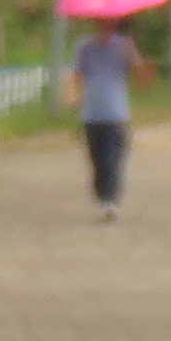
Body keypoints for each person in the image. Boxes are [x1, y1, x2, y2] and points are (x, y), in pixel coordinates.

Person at [69, 15, 139, 222]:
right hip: (91, 113)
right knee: (97, 160)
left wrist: (131, 54)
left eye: (108, 22)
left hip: (116, 113)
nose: (104, 25)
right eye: (100, 22)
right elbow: (77, 73)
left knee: (112, 159)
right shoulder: (85, 47)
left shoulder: (124, 45)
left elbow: (141, 77)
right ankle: (102, 197)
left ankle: (111, 201)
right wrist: (72, 93)